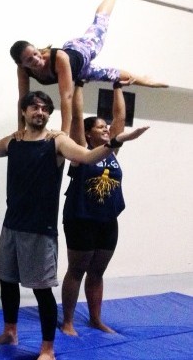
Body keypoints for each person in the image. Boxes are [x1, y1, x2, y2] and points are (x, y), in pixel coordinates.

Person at [0, 90, 148, 360]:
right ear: (24, 111)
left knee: (41, 290)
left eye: (45, 108)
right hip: (12, 224)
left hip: (40, 229)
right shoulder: (14, 141)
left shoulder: (56, 141)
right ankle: (9, 331)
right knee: (7, 281)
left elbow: (86, 157)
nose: (40, 112)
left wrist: (118, 140)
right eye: (34, 107)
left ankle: (47, 348)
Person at [10, 0, 167, 133]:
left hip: (82, 50)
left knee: (100, 23)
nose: (37, 60)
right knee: (112, 75)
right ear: (21, 63)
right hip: (80, 72)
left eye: (36, 53)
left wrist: (64, 133)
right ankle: (144, 80)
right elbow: (22, 100)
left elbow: (66, 96)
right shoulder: (23, 70)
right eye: (29, 60)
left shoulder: (58, 58)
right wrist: (20, 129)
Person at [60, 80, 131, 336]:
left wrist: (117, 86)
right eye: (100, 127)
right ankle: (68, 321)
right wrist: (78, 84)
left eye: (106, 127)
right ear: (88, 134)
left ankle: (95, 319)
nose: (106, 129)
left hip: (107, 220)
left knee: (97, 272)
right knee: (77, 270)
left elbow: (119, 119)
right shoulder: (81, 151)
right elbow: (77, 118)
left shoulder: (112, 152)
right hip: (81, 219)